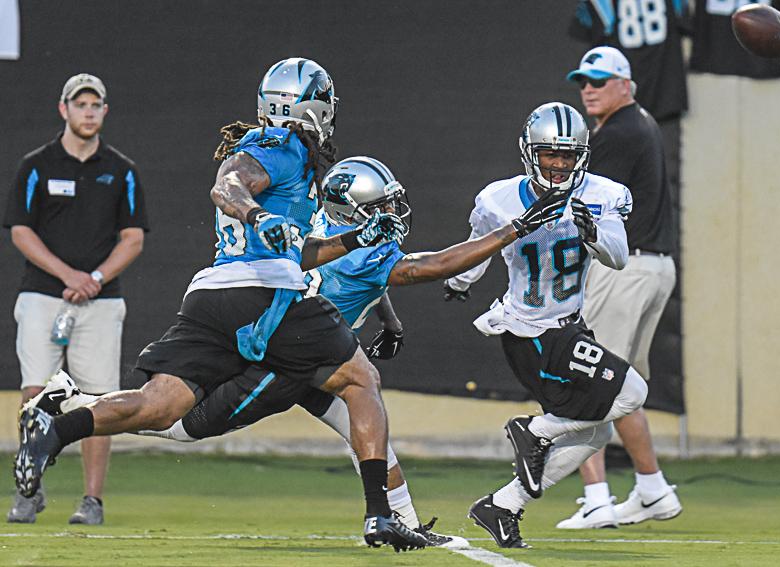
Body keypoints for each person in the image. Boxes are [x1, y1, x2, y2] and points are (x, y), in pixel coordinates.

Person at [27, 154, 569, 547]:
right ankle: (78, 402)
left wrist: (389, 319)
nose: (392, 213)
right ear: (353, 209)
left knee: (368, 417)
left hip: (306, 348)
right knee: (182, 425)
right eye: (381, 206)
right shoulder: (354, 248)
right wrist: (511, 232)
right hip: (284, 360)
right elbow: (429, 266)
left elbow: (356, 278)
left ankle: (393, 520)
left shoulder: (313, 229)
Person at [12, 57, 429, 552]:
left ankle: (57, 431)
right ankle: (380, 516)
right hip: (268, 296)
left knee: (160, 406)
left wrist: (356, 237)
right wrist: (255, 214)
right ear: (312, 106)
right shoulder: (284, 146)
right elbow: (228, 185)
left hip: (213, 297)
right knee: (362, 380)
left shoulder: (276, 154)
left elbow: (294, 247)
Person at [444, 102, 648, 548]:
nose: (558, 164)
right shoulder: (499, 198)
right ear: (529, 152)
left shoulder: (601, 193)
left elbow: (617, 256)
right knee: (634, 392)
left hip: (569, 328)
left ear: (582, 156)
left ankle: (503, 505)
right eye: (550, 154)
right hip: (531, 332)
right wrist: (461, 280)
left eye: (567, 155)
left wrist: (590, 229)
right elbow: (477, 245)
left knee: (599, 431)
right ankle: (535, 431)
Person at [3, 73, 148, 525]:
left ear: (105, 111)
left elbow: (133, 237)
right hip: (43, 294)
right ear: (63, 109)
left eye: (96, 105)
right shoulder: (38, 165)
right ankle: (30, 491)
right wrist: (69, 275)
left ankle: (92, 500)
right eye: (79, 104)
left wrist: (96, 278)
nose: (88, 112)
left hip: (100, 302)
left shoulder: (121, 170)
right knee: (34, 393)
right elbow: (20, 230)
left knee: (99, 399)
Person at [555, 46, 681, 529]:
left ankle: (596, 497)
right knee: (623, 388)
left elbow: (581, 208)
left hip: (626, 272)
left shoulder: (618, 133)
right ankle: (651, 489)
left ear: (625, 85)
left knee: (589, 380)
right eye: (584, 80)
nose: (588, 88)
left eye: (600, 80)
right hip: (655, 269)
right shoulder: (640, 124)